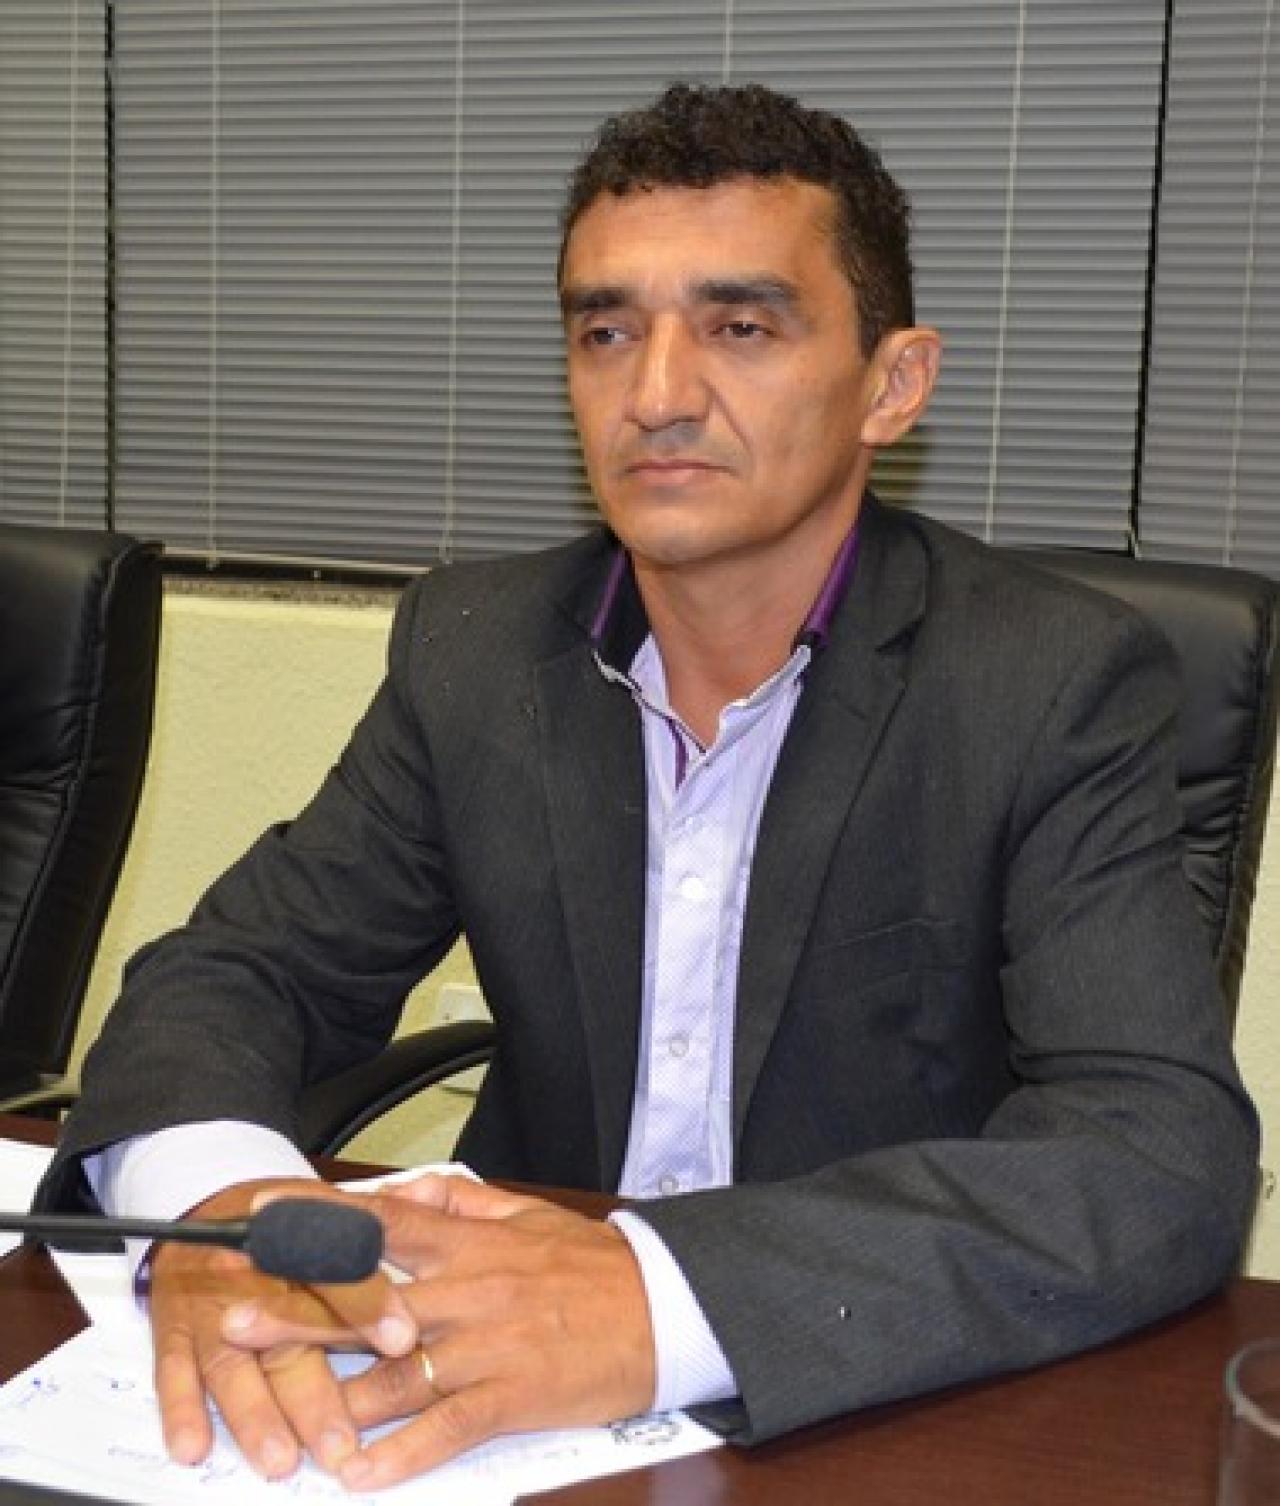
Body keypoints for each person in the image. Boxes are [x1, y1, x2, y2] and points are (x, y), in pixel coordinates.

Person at [39, 81, 1257, 1493]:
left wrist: (665, 1298)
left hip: (866, 1409)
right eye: (606, 330)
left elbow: (1154, 1150)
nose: (659, 394)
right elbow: (239, 973)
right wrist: (222, 1210)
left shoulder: (1046, 678)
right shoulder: (480, 651)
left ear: (892, 384)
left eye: (741, 327)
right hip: (502, 1406)